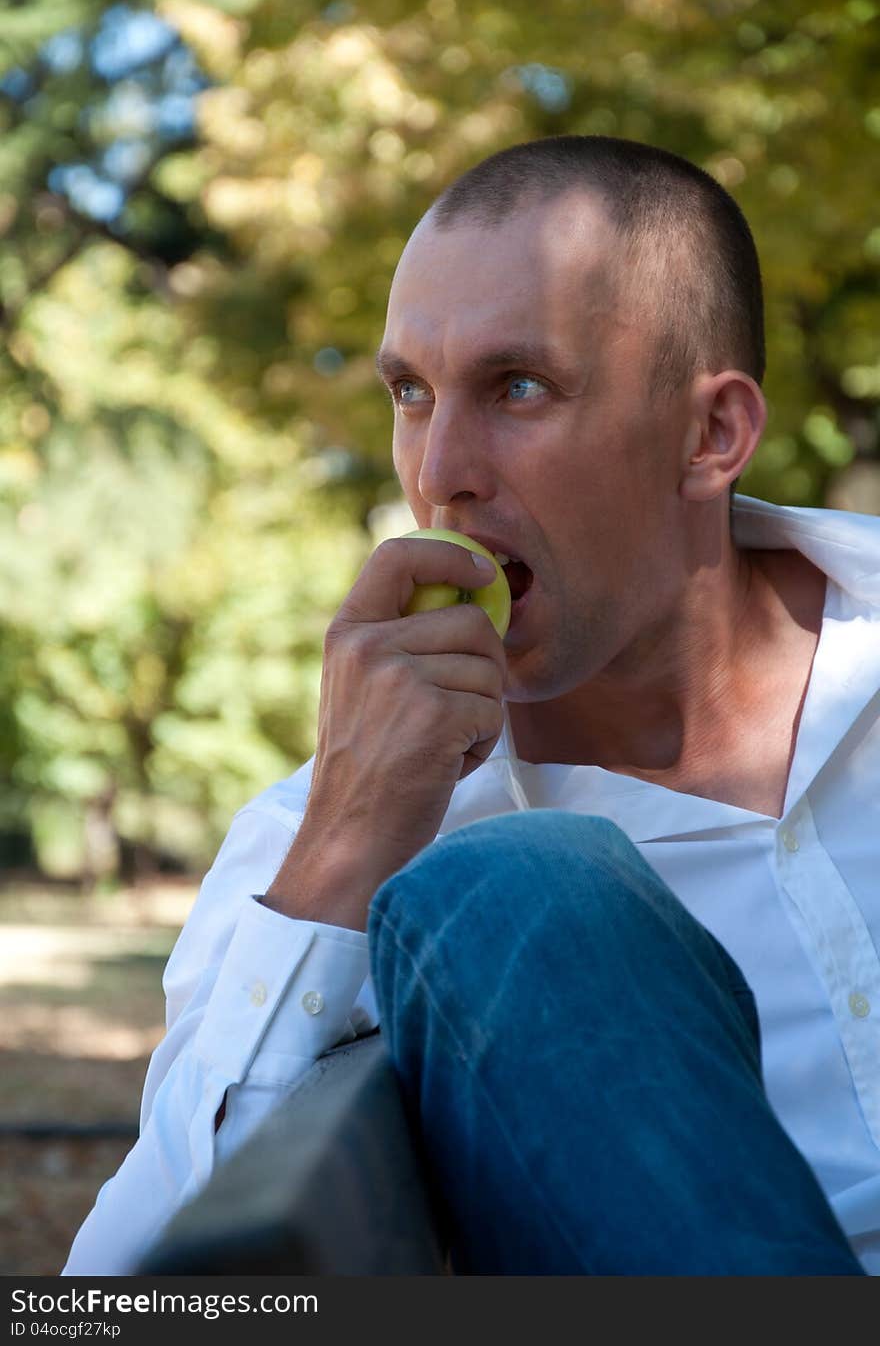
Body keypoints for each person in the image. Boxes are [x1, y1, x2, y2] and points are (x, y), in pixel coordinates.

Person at [63, 135, 879, 1276]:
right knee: (513, 885)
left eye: (518, 388)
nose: (439, 469)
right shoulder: (339, 845)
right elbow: (131, 1302)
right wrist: (344, 846)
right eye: (410, 392)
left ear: (711, 434)